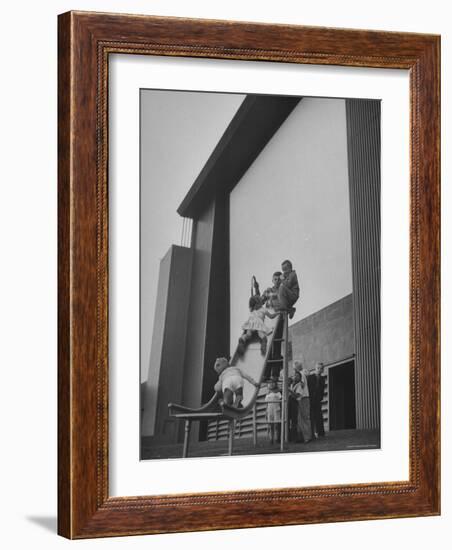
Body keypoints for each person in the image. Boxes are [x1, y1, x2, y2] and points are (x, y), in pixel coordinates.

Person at [290, 361, 312, 443]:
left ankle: (307, 437)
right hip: (301, 398)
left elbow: (301, 385)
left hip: (303, 398)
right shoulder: (301, 374)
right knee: (301, 418)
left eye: (294, 368)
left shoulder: (301, 374)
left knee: (304, 418)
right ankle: (303, 437)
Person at [307, 363, 326, 438]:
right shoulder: (310, 377)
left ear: (323, 370)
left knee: (319, 416)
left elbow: (322, 389)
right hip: (311, 399)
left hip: (317, 399)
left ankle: (320, 432)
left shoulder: (322, 378)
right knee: (311, 416)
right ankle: (312, 433)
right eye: (318, 368)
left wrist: (320, 398)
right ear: (315, 368)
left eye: (321, 368)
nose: (319, 370)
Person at [265, 379, 282, 444]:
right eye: (270, 383)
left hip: (276, 409)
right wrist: (265, 411)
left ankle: (277, 438)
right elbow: (266, 403)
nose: (271, 384)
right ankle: (271, 438)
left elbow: (281, 401)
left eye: (272, 383)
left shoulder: (277, 392)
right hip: (269, 410)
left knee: (277, 425)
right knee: (270, 425)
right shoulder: (268, 393)